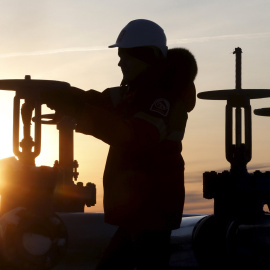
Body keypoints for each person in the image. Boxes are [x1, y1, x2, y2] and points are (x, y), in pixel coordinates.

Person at [42, 19, 197, 269]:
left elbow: (132, 135)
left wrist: (81, 119)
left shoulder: (162, 99)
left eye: (125, 56)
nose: (119, 62)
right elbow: (100, 102)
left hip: (151, 210)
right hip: (140, 210)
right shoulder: (136, 92)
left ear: (146, 56)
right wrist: (64, 97)